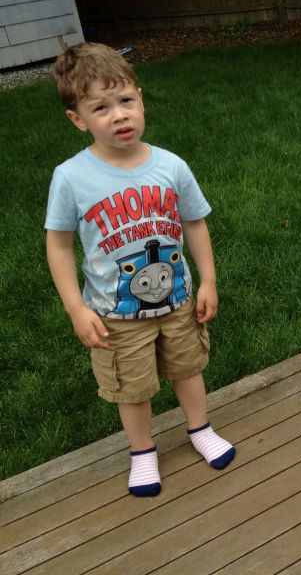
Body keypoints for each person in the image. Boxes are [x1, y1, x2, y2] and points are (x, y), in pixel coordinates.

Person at [45, 43, 235, 497]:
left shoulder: (171, 166)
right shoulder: (71, 177)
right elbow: (59, 244)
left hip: (178, 301)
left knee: (188, 368)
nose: (119, 115)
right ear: (77, 119)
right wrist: (75, 308)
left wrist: (208, 280)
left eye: (126, 100)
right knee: (132, 388)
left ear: (141, 99)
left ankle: (200, 428)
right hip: (116, 314)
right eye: (101, 108)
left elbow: (194, 222)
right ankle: (142, 451)